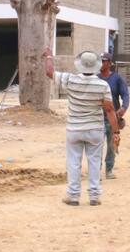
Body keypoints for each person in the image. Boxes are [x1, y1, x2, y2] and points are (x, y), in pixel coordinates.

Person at [44, 47, 120, 206]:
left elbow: (50, 73)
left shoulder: (70, 80)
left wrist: (49, 56)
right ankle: (94, 196)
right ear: (97, 66)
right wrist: (116, 131)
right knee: (94, 161)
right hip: (94, 130)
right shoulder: (102, 85)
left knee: (73, 162)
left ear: (80, 65)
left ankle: (73, 196)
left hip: (74, 129)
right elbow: (109, 110)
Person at [98, 52, 130, 179]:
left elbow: (125, 95)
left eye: (104, 61)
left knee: (111, 146)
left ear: (109, 63)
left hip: (112, 119)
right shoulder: (96, 79)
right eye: (100, 60)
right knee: (97, 147)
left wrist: (123, 108)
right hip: (98, 118)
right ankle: (97, 171)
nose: (101, 63)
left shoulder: (116, 79)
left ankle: (109, 170)